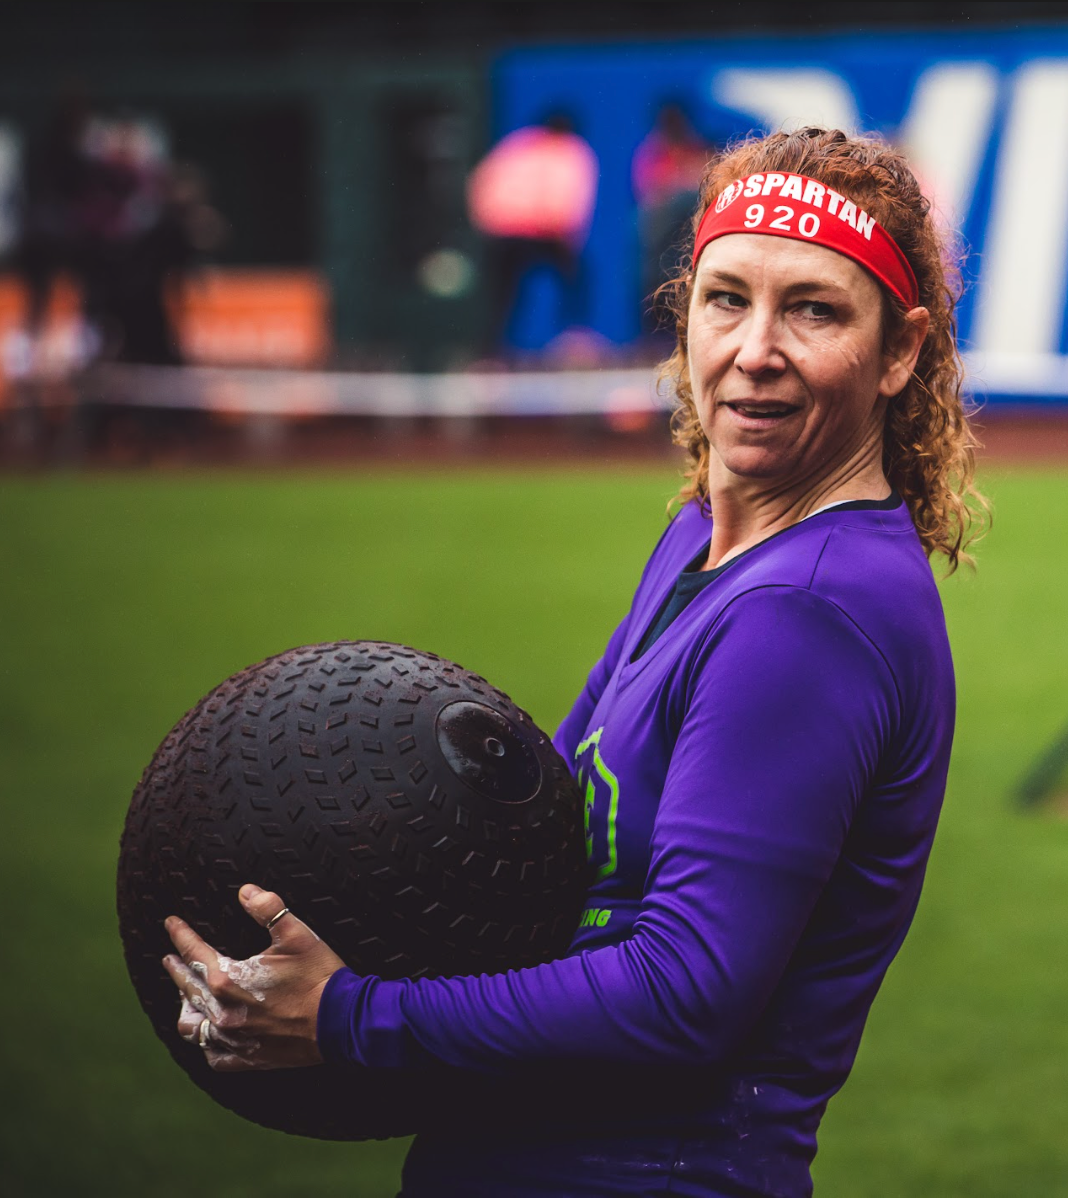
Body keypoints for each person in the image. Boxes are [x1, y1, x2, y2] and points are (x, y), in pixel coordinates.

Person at [161, 126, 984, 1198]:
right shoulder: (705, 532)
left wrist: (349, 1015)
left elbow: (686, 990)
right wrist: (313, 921)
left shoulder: (807, 612)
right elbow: (543, 822)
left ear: (900, 351)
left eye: (815, 308)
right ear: (684, 309)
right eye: (727, 297)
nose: (755, 347)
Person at [467, 108, 599, 357]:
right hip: (545, 232)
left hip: (502, 233)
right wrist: (564, 234)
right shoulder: (569, 148)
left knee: (502, 295)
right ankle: (573, 341)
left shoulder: (516, 144)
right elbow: (570, 196)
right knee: (577, 280)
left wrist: (487, 225)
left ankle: (491, 352)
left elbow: (480, 182)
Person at [632, 101, 711, 335]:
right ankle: (648, 341)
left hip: (686, 242)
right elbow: (649, 197)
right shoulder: (652, 154)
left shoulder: (699, 151)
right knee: (653, 291)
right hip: (658, 246)